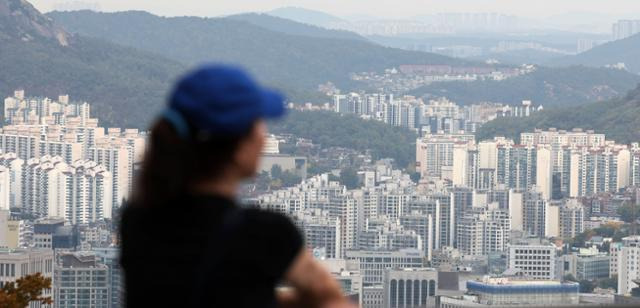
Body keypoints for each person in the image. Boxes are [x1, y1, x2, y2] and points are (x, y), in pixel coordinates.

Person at [120, 65, 354, 308]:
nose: (264, 134)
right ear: (239, 148)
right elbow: (329, 298)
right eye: (258, 124)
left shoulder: (137, 221)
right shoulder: (263, 232)